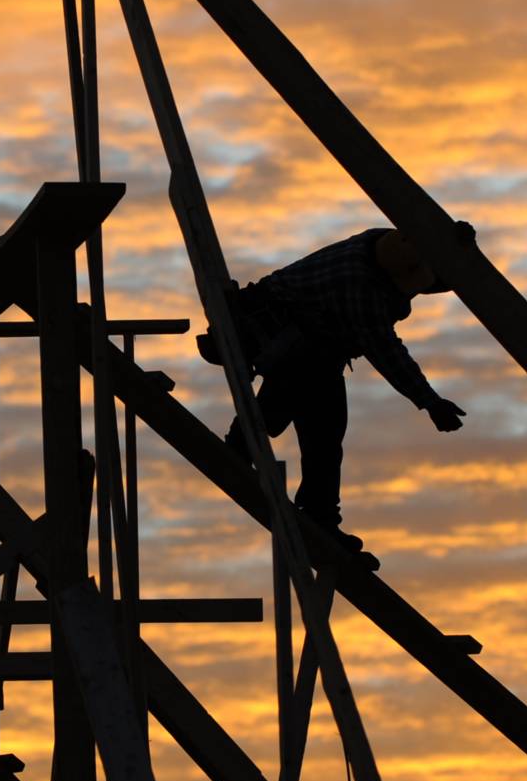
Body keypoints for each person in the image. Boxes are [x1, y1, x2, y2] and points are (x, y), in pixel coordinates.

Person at [199, 222, 472, 560]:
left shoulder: (383, 243)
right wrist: (430, 402)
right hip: (275, 335)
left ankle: (318, 510)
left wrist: (456, 248)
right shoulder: (364, 291)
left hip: (301, 338)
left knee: (324, 422)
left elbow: (426, 260)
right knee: (321, 414)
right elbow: (388, 354)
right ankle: (247, 449)